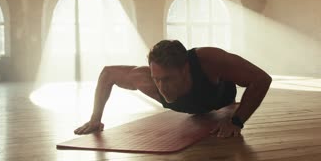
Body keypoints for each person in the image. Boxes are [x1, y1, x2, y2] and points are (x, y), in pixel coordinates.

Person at [74, 40, 272, 138]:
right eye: (157, 79)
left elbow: (261, 79)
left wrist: (236, 121)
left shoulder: (208, 61)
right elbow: (107, 74)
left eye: (168, 79)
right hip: (196, 107)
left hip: (220, 99)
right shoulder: (147, 81)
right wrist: (95, 119)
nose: (162, 87)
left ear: (186, 70)